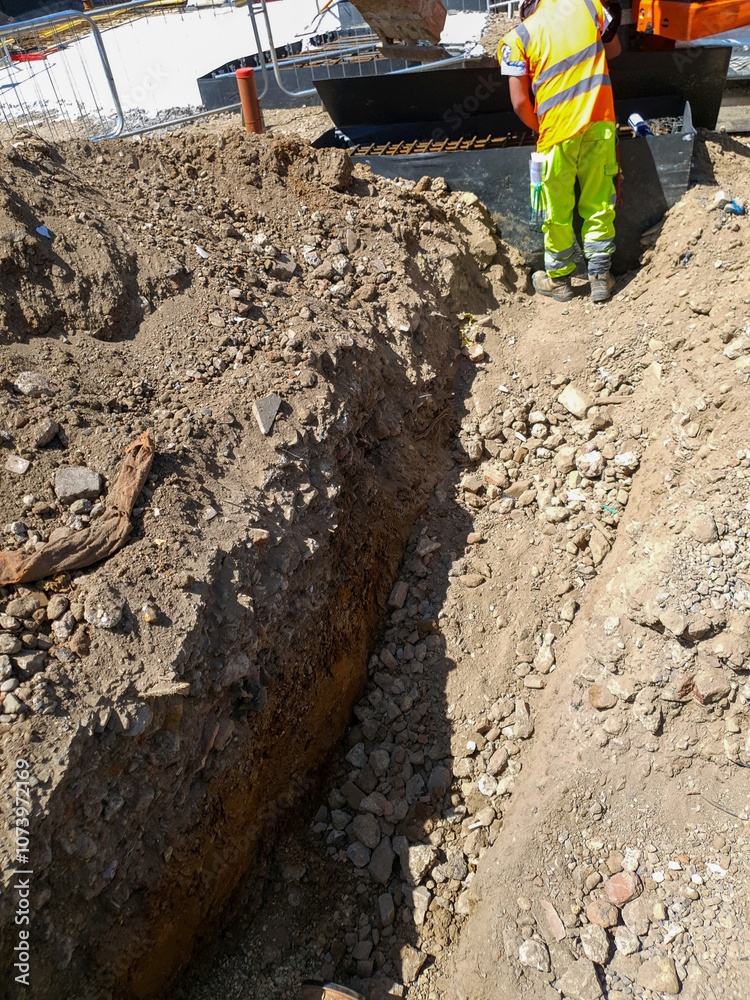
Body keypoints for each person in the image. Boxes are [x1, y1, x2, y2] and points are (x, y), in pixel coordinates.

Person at [500, 0, 622, 302]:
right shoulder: (590, 7)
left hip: (556, 134)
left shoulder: (518, 37)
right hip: (599, 122)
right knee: (599, 201)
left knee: (556, 210)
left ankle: (559, 281)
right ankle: (600, 278)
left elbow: (519, 103)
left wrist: (540, 127)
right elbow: (615, 50)